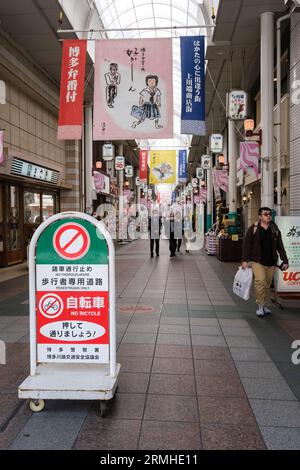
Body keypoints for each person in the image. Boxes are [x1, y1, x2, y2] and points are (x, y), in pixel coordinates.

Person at [241, 207, 289, 317]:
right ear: (260, 216)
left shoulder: (274, 229)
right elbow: (246, 245)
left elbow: (280, 246)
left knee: (267, 285)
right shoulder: (253, 228)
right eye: (265, 214)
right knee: (260, 281)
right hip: (257, 261)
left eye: (269, 214)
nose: (268, 216)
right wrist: (244, 260)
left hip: (271, 262)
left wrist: (285, 260)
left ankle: (264, 304)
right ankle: (260, 306)